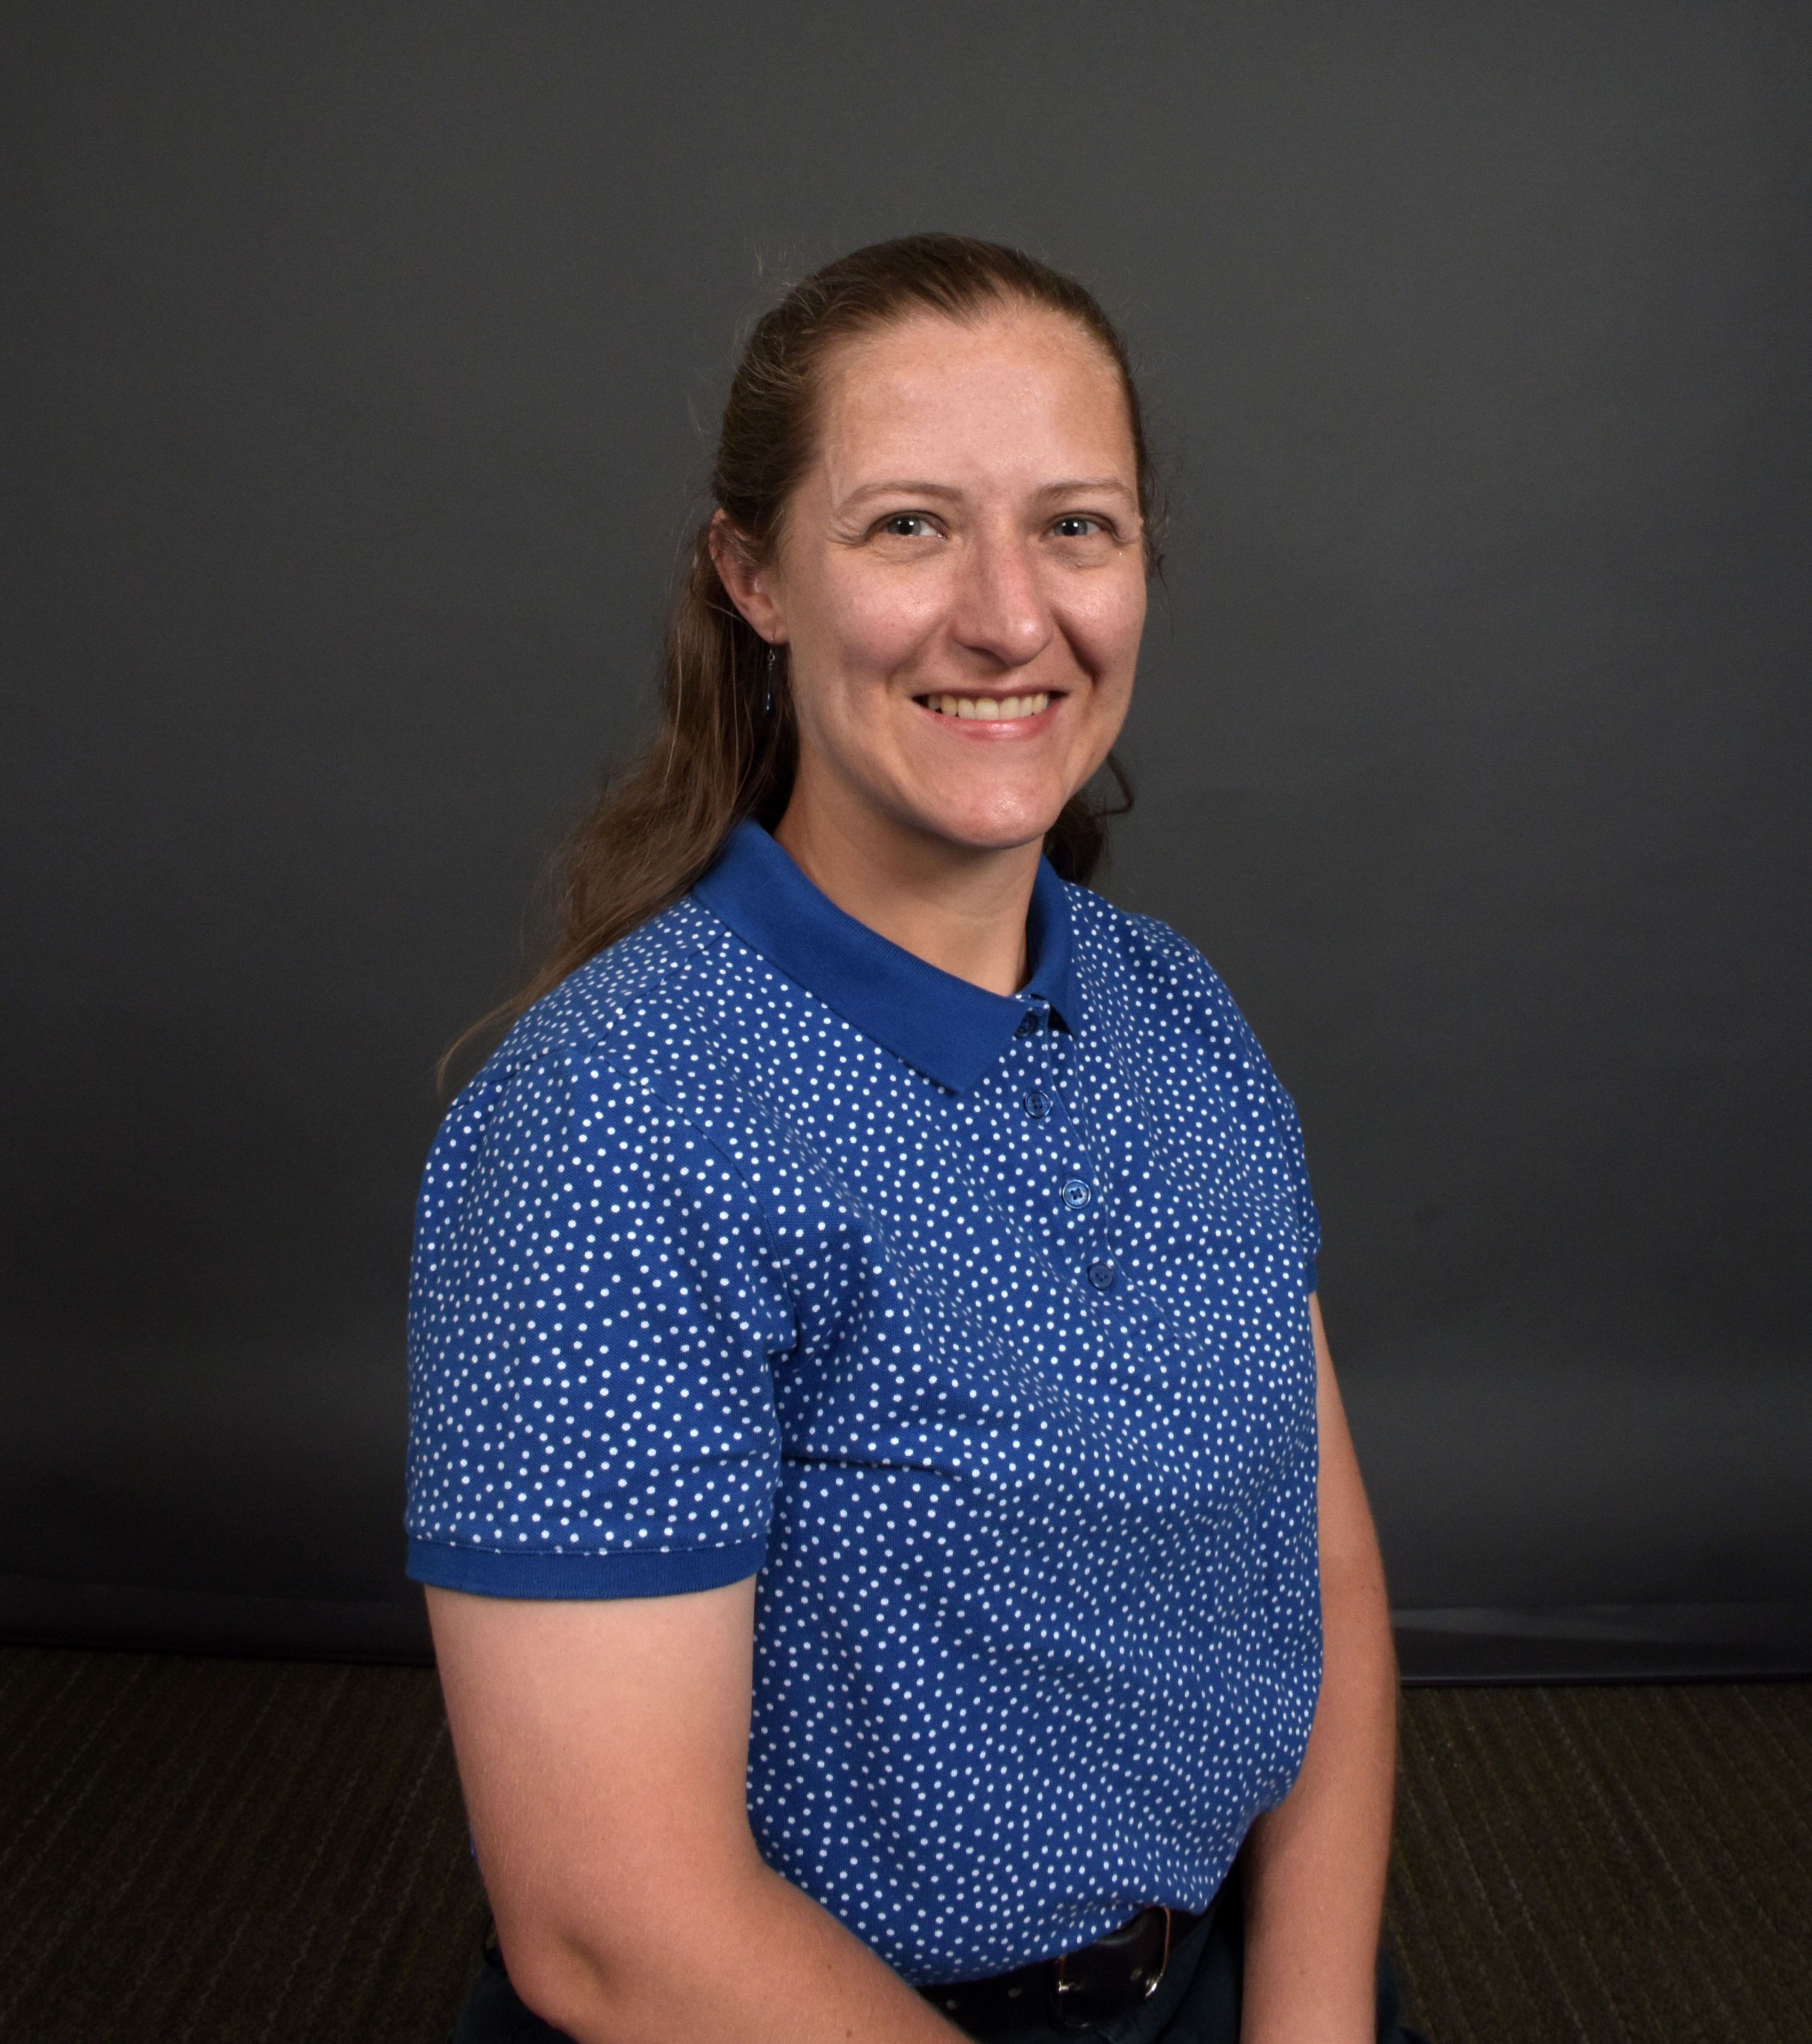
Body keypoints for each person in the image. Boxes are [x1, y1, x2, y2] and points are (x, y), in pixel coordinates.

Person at [408, 233, 1421, 2044]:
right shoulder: (611, 1122)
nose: (1010, 619)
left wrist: (1316, 2016)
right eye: (908, 527)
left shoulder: (1179, 1014)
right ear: (754, 578)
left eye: (1076, 526)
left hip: (1219, 1977)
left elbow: (1318, 1579)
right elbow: (613, 1932)